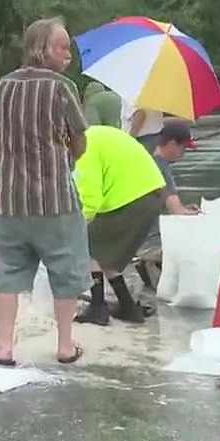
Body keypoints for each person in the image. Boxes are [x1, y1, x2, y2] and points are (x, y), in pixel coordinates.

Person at [0, 17, 89, 367]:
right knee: (65, 272)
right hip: (56, 201)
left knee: (7, 273)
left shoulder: (2, 87)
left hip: (11, 202)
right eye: (61, 46)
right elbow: (80, 140)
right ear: (41, 49)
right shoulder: (61, 88)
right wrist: (64, 153)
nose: (67, 54)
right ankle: (65, 345)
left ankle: (3, 345)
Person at [74, 90, 167, 325]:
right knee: (106, 254)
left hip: (134, 197)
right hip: (147, 193)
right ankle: (127, 307)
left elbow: (90, 199)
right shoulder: (96, 135)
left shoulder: (84, 148)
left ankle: (98, 308)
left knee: (89, 244)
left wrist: (73, 226)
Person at [136, 119, 200, 288]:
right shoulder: (160, 169)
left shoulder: (149, 163)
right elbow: (176, 211)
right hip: (152, 243)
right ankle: (151, 264)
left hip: (140, 237)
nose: (184, 153)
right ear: (172, 144)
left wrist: (186, 209)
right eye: (183, 148)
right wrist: (198, 216)